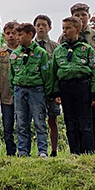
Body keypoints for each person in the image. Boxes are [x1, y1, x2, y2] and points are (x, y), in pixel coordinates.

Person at [51, 16, 95, 155]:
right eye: (63, 28)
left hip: (83, 86)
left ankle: (88, 153)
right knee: (70, 121)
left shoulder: (87, 49)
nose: (64, 31)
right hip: (66, 87)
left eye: (68, 28)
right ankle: (74, 153)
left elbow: (94, 71)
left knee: (85, 121)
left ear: (77, 29)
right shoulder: (59, 50)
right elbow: (54, 73)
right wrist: (56, 92)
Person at [9, 22, 51, 157]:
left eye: (20, 35)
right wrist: (13, 91)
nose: (17, 38)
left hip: (36, 90)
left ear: (30, 35)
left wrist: (47, 94)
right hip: (19, 89)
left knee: (39, 122)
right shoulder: (15, 54)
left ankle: (42, 151)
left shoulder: (41, 53)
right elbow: (11, 75)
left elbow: (47, 76)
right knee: (21, 122)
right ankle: (22, 151)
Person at [69, 3, 95, 148]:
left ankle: (92, 147)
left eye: (83, 15)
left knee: (91, 117)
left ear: (89, 16)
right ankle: (77, 149)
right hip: (73, 84)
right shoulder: (65, 37)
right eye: (77, 15)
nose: (81, 18)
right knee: (74, 118)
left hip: (92, 82)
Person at [34, 14, 61, 156]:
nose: (40, 27)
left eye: (44, 24)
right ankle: (41, 150)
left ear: (49, 27)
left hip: (52, 90)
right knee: (38, 120)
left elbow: (58, 69)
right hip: (35, 88)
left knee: (52, 119)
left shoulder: (56, 47)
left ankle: (54, 150)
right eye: (38, 24)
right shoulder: (30, 47)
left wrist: (57, 92)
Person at [0, 22, 18, 158]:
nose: (11, 36)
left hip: (22, 95)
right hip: (6, 95)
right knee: (7, 126)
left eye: (14, 33)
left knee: (22, 125)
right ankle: (10, 152)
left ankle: (23, 151)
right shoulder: (0, 54)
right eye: (8, 33)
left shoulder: (25, 51)